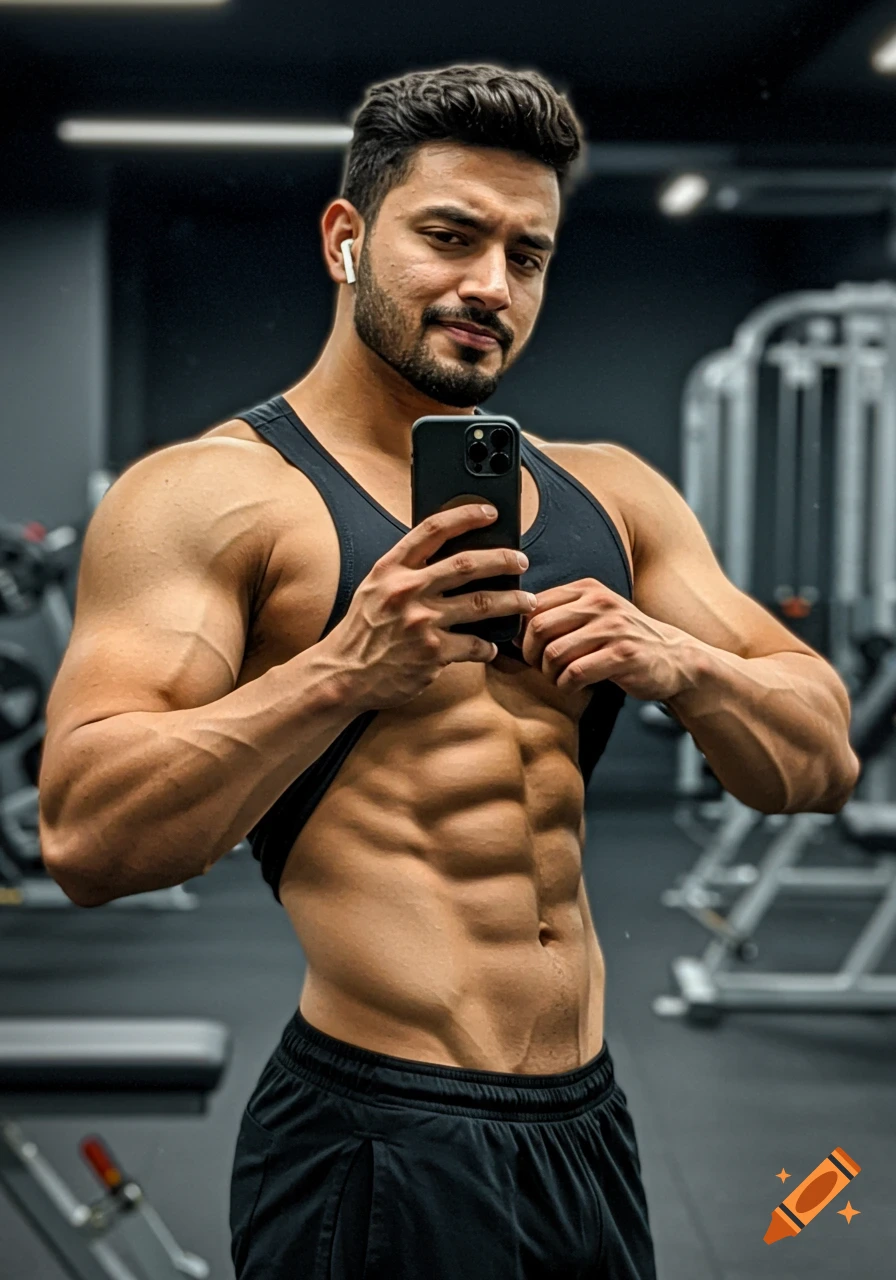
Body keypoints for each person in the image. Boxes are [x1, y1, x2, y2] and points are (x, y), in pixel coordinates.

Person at [38, 63, 859, 1280]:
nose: (489, 284)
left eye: (526, 255)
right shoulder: (211, 496)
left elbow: (819, 758)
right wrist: (341, 670)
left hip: (585, 1130)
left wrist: (682, 663)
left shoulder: (612, 494)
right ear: (345, 237)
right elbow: (85, 834)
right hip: (375, 1133)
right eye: (450, 235)